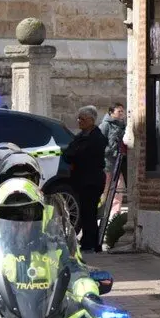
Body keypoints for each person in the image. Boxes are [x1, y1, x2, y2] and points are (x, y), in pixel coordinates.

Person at [0, 177, 100, 309]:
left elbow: (76, 274)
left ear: (38, 217)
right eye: (9, 216)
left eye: (27, 214)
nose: (19, 222)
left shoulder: (54, 247)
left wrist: (90, 295)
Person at [63, 106, 107, 253]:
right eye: (78, 118)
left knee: (90, 212)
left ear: (91, 120)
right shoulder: (80, 136)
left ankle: (91, 242)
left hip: (92, 180)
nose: (79, 121)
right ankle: (87, 241)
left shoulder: (97, 138)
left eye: (82, 119)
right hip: (80, 179)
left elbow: (82, 155)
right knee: (84, 211)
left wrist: (76, 155)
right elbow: (68, 153)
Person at [99, 103, 127, 216]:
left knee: (119, 187)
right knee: (105, 189)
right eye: (119, 111)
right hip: (107, 163)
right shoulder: (105, 125)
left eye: (122, 111)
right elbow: (99, 143)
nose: (121, 113)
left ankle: (115, 212)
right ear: (111, 112)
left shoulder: (123, 126)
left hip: (118, 161)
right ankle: (100, 210)